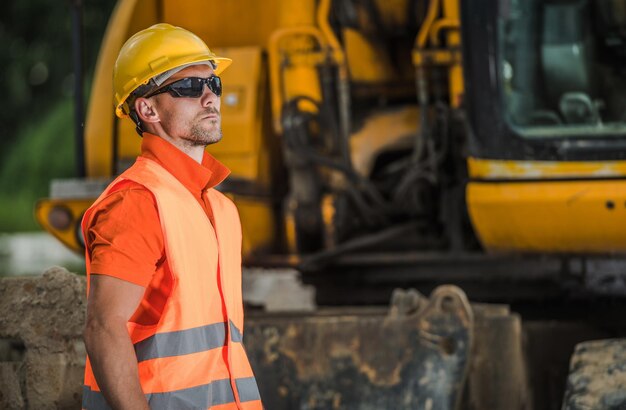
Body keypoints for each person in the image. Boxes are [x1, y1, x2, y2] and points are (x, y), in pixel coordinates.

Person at [81, 23, 262, 410]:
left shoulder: (221, 208)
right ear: (147, 109)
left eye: (213, 84)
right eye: (189, 88)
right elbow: (102, 328)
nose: (210, 97)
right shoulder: (137, 202)